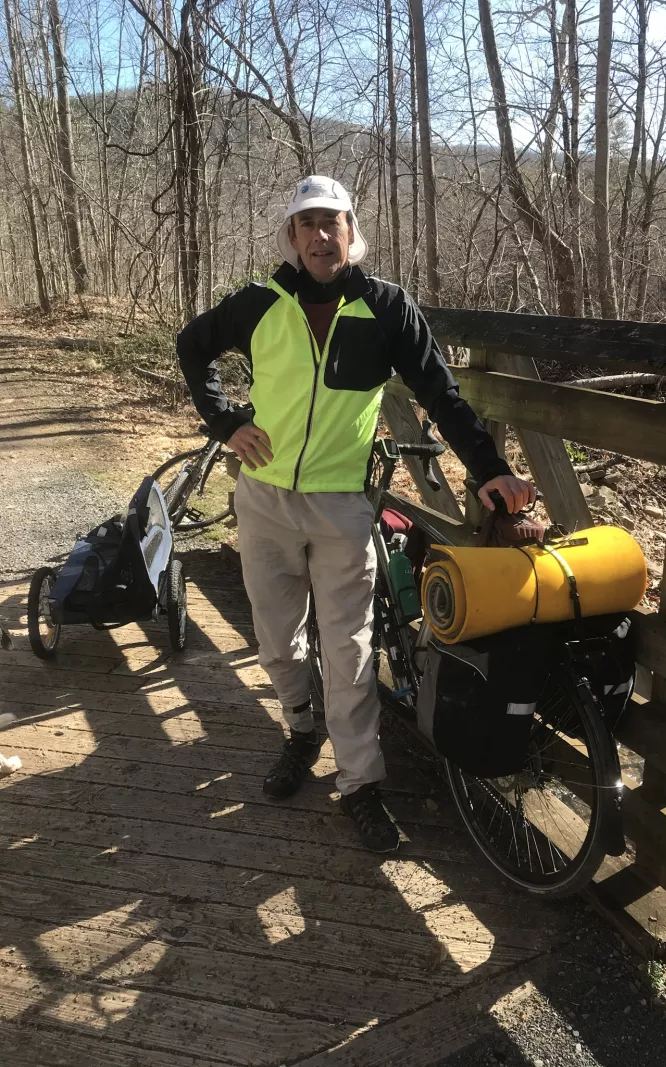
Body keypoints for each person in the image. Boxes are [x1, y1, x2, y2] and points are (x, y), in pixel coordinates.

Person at [176, 175, 534, 853]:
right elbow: (192, 346)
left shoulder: (387, 308)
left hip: (342, 505)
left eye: (331, 222)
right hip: (265, 499)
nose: (320, 236)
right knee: (277, 642)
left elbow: (441, 393)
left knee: (350, 650)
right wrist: (225, 423)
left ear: (351, 231)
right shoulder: (258, 304)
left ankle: (361, 783)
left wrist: (490, 469)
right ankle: (300, 729)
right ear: (291, 236)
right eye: (307, 223)